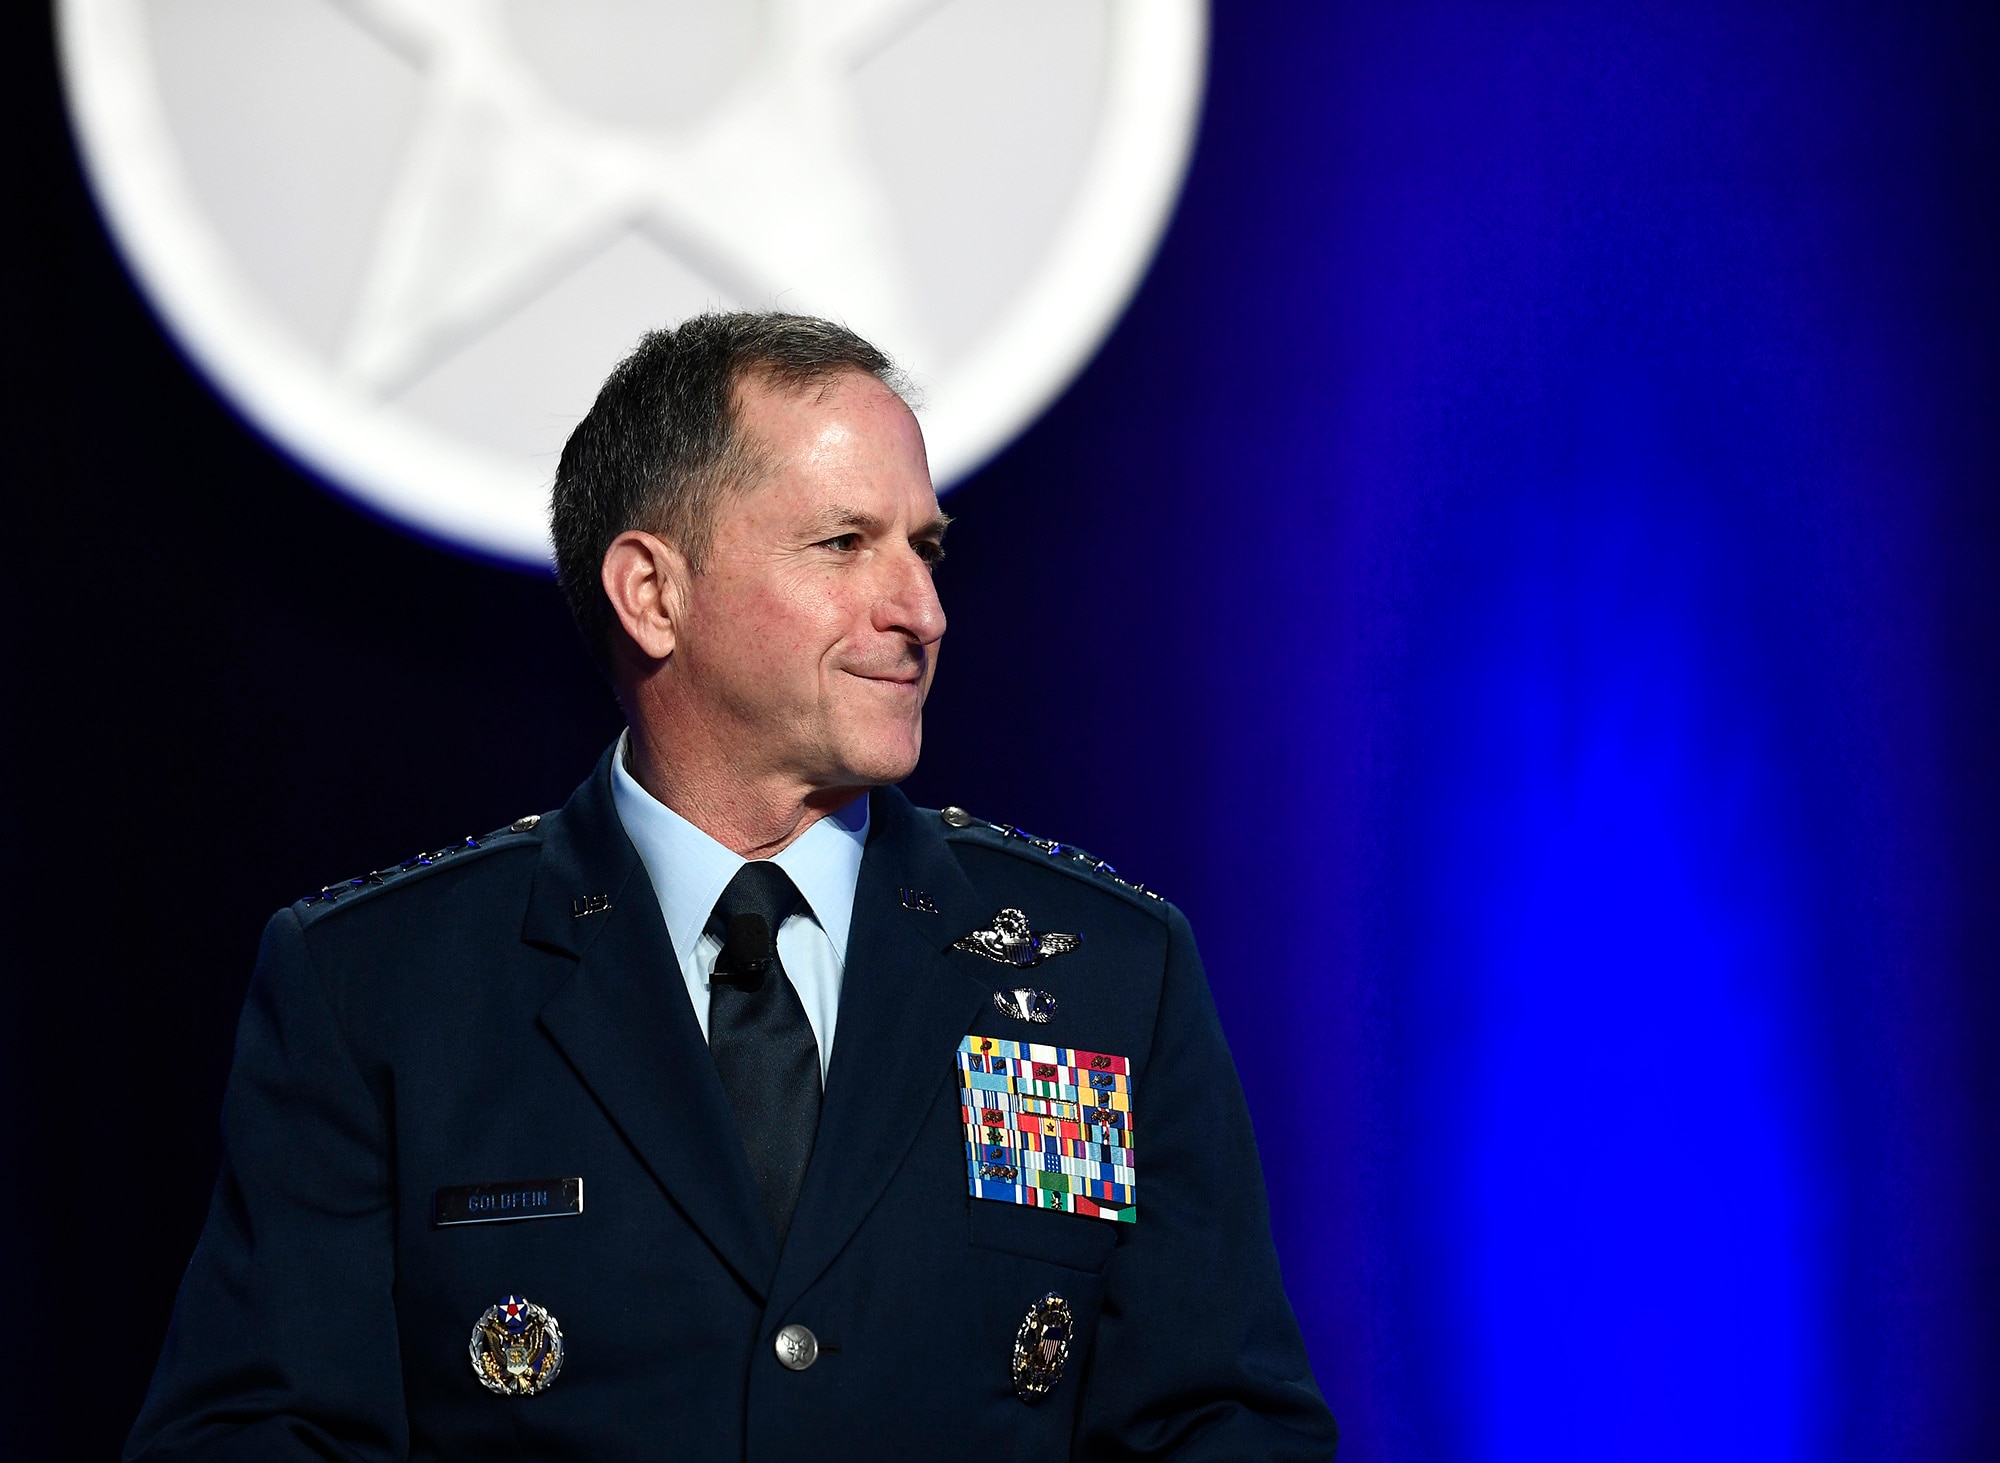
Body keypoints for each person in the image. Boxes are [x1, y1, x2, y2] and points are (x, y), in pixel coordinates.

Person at [126, 313, 1338, 1460]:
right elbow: (258, 1432)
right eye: (844, 542)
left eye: (925, 547)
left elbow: (1220, 1422)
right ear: (653, 593)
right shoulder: (375, 987)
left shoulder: (1105, 976)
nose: (921, 608)